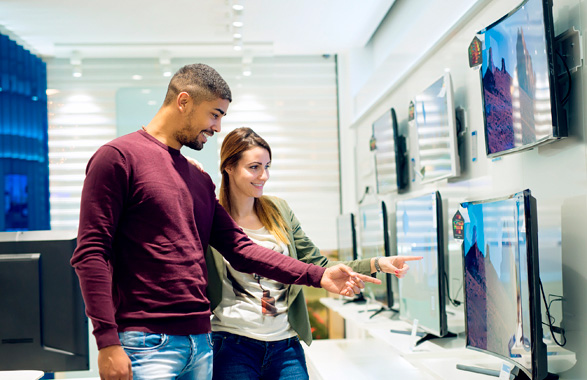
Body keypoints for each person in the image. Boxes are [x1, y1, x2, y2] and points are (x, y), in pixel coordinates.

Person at [70, 64, 379, 380]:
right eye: (214, 114)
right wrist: (106, 340)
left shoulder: (198, 179)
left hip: (202, 343)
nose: (217, 127)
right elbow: (91, 253)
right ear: (184, 102)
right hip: (146, 343)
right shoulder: (118, 157)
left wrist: (319, 275)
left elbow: (242, 249)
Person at [206, 127, 423, 380]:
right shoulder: (213, 217)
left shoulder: (278, 210)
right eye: (254, 167)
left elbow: (318, 264)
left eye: (267, 166)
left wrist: (377, 263)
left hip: (285, 344)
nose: (263, 176)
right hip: (233, 344)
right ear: (228, 167)